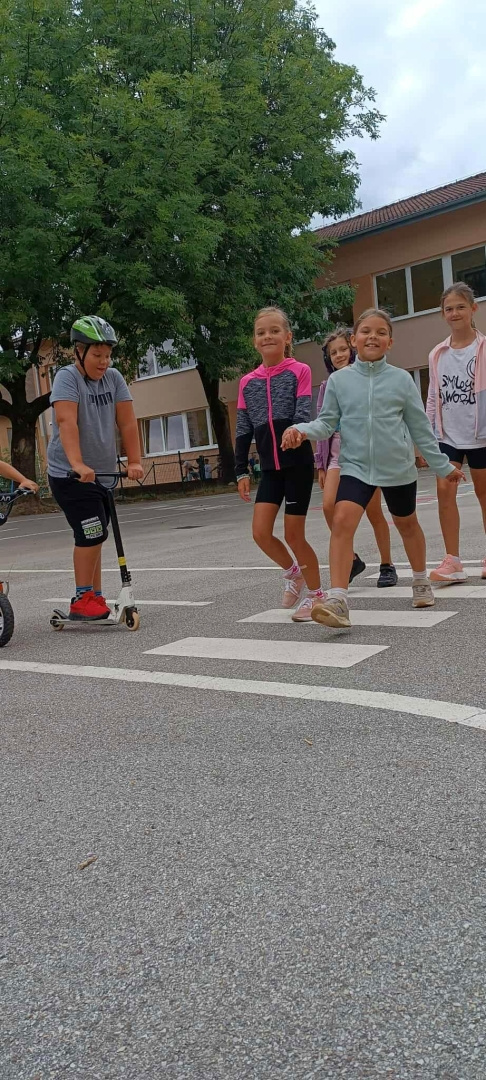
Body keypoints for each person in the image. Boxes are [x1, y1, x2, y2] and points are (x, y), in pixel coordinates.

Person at [282, 308, 465, 628]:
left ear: (389, 342)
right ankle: (338, 599)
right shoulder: (339, 381)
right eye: (366, 331)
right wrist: (301, 430)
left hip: (397, 468)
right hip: (356, 467)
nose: (373, 337)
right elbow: (326, 424)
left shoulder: (401, 380)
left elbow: (420, 429)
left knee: (407, 524)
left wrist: (442, 465)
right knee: (342, 521)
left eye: (381, 332)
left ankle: (420, 579)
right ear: (354, 340)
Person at [47, 316, 143, 621]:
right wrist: (77, 463)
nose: (104, 362)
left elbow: (127, 422)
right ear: (79, 351)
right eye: (97, 355)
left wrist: (135, 461)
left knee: (97, 532)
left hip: (101, 475)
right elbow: (66, 422)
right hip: (69, 475)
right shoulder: (66, 378)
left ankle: (95, 596)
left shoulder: (113, 378)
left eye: (107, 355)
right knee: (91, 532)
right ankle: (82, 598)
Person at [235, 305, 324, 621]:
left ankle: (317, 596)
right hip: (270, 469)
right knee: (260, 532)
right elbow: (243, 428)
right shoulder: (247, 382)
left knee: (294, 534)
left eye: (274, 331)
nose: (267, 336)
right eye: (261, 332)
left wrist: (295, 431)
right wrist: (241, 470)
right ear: (254, 341)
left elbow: (303, 411)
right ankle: (293, 573)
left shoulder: (299, 371)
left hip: (297, 464)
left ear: (288, 337)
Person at [316, 327, 397, 588]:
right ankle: (352, 559)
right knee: (329, 506)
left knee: (373, 511)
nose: (339, 355)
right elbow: (322, 424)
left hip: (364, 452)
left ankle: (387, 564)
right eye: (333, 352)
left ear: (352, 350)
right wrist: (320, 464)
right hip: (336, 455)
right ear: (328, 358)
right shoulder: (327, 386)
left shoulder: (365, 378)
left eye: (343, 349)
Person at [426, 282, 486, 583]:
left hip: (482, 435)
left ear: (473, 309)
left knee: (484, 494)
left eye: (461, 307)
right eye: (449, 309)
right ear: (442, 314)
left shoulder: (483, 348)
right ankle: (453, 560)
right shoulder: (438, 354)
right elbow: (432, 397)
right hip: (447, 436)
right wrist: (427, 438)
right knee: (444, 492)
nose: (455, 313)